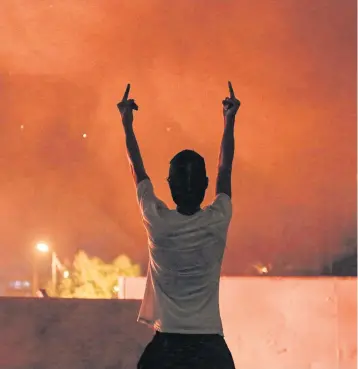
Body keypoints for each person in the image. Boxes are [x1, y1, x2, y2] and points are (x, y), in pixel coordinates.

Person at [117, 81, 240, 369]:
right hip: (210, 348)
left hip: (166, 349)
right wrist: (229, 119)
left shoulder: (157, 221)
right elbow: (225, 169)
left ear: (169, 187)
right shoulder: (218, 218)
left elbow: (137, 168)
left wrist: (126, 123)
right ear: (206, 186)